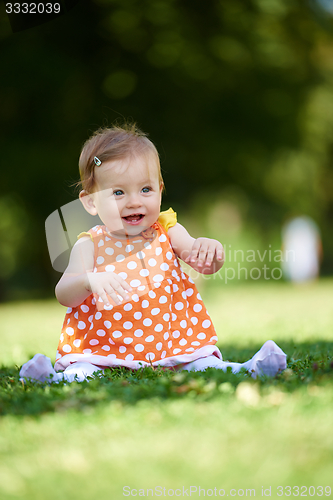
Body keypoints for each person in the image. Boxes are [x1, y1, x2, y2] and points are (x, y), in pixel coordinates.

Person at [20, 124, 287, 383]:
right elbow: (64, 293)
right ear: (91, 202)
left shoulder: (167, 229)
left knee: (202, 364)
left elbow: (199, 260)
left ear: (160, 189)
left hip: (171, 341)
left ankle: (249, 368)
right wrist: (89, 280)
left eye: (145, 189)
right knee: (85, 370)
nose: (134, 201)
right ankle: (53, 379)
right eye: (118, 192)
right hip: (104, 346)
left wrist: (210, 251)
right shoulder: (90, 244)